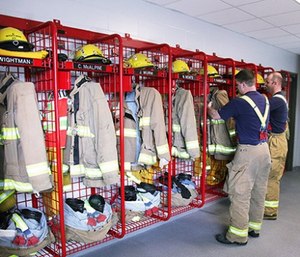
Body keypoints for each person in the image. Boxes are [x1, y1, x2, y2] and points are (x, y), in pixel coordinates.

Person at [207, 69, 271, 245]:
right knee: (259, 191)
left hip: (248, 152)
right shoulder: (265, 99)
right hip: (264, 151)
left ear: (243, 84)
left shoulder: (240, 102)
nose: (237, 89)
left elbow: (216, 116)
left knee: (240, 194)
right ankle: (254, 228)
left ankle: (237, 236)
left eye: (237, 85)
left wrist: (208, 106)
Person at [264, 72, 288, 220]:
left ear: (275, 83)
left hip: (276, 142)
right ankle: (268, 209)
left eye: (267, 82)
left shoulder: (277, 100)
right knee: (270, 177)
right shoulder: (279, 99)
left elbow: (261, 108)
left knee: (272, 178)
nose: (265, 84)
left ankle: (270, 211)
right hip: (276, 141)